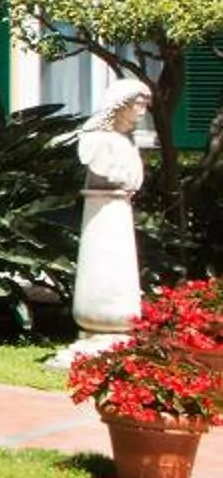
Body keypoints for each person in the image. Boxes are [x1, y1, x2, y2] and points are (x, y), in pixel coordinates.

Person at [59, 80, 151, 360]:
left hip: (118, 214)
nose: (143, 111)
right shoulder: (96, 143)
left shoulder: (127, 143)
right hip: (103, 217)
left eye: (146, 105)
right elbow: (105, 170)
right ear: (121, 105)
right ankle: (96, 330)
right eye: (139, 104)